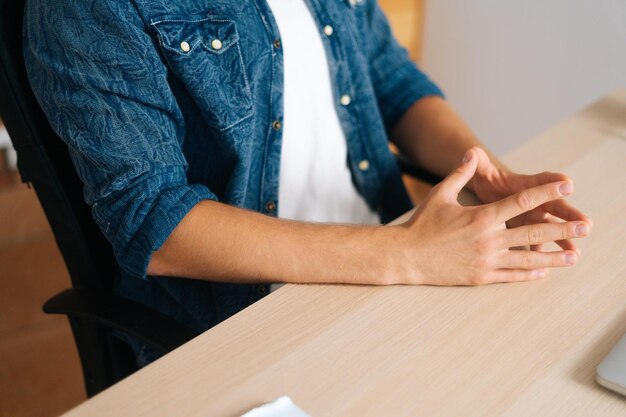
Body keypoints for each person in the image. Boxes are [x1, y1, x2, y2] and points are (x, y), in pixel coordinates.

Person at [24, 0, 591, 366]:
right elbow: (155, 221)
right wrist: (408, 254)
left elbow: (391, 80)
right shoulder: (85, 9)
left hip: (394, 258)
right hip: (251, 316)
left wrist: (487, 176)